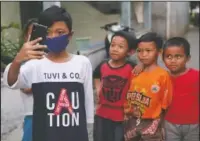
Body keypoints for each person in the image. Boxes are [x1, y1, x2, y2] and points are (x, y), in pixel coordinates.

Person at [3, 5, 94, 141]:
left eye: (60, 32)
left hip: (75, 134)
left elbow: (87, 101)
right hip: (44, 134)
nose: (53, 36)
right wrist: (18, 60)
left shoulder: (82, 63)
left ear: (70, 35)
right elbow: (11, 82)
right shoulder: (34, 64)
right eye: (49, 32)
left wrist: (89, 130)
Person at [124, 32, 173, 141]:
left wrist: (159, 124)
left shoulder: (163, 75)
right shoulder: (135, 72)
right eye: (140, 51)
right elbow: (128, 95)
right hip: (132, 121)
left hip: (152, 124)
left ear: (159, 52)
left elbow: (166, 104)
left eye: (148, 51)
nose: (143, 54)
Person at [93, 30, 137, 141]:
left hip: (121, 116)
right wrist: (98, 88)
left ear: (129, 52)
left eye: (120, 46)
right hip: (102, 114)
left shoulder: (131, 68)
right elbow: (96, 75)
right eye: (112, 45)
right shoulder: (103, 64)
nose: (115, 49)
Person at [163, 37, 199, 141]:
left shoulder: (196, 76)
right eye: (168, 56)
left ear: (187, 58)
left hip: (194, 125)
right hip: (169, 124)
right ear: (162, 58)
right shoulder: (162, 77)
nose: (173, 61)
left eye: (178, 56)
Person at [19, 18, 38, 141]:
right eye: (32, 33)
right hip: (32, 116)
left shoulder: (52, 59)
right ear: (26, 37)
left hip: (53, 115)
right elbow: (25, 88)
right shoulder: (23, 63)